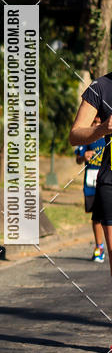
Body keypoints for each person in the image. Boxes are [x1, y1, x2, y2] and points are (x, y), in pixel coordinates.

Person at [70, 77, 112, 279]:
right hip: (104, 180)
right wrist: (103, 128)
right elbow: (75, 136)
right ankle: (99, 247)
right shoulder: (100, 88)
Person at [74, 117, 106, 261]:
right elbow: (78, 158)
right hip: (92, 182)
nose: (97, 125)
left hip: (107, 181)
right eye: (94, 122)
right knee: (96, 216)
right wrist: (83, 157)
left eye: (100, 122)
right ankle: (99, 247)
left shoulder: (109, 138)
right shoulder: (87, 138)